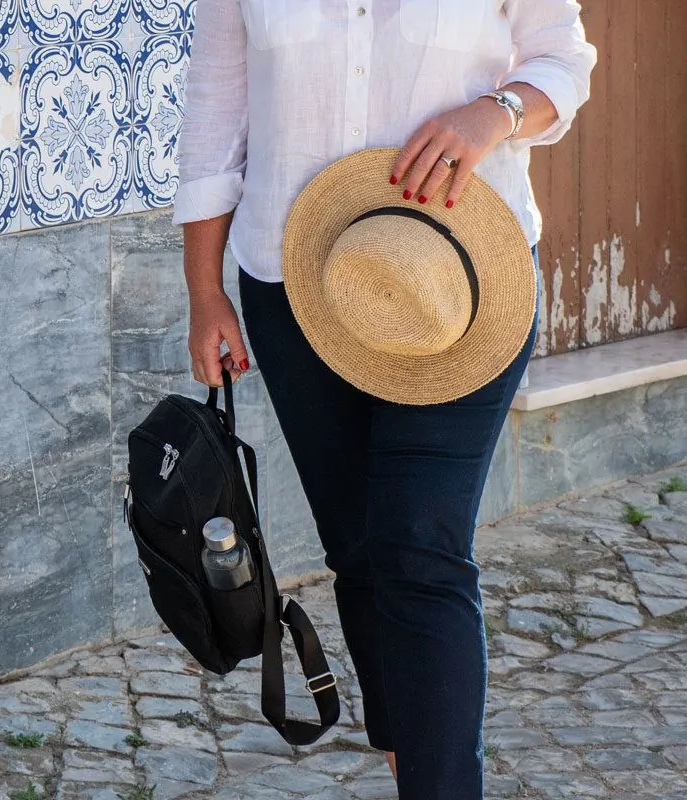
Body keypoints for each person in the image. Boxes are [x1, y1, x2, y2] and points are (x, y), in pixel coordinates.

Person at [173, 2, 596, 798]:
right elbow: (215, 110)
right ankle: (414, 764)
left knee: (420, 549)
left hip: (461, 286)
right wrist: (204, 291)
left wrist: (493, 113)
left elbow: (564, 63)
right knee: (362, 553)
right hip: (300, 285)